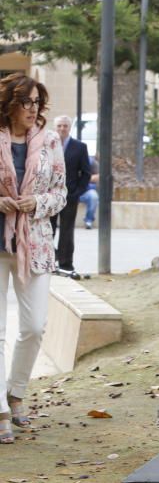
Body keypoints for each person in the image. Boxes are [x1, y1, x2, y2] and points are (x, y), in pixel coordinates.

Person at [0, 74, 67, 445]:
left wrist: (37, 204)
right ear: (10, 102)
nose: (33, 109)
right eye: (26, 102)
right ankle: (2, 411)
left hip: (36, 242)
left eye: (37, 103)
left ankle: (17, 391)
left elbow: (61, 193)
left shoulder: (51, 141)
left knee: (35, 326)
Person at [50, 115, 91, 277]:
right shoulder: (48, 146)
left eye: (65, 126)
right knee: (47, 230)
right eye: (59, 126)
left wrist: (77, 192)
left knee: (67, 231)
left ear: (69, 128)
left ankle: (66, 264)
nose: (62, 129)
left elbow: (86, 173)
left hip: (70, 196)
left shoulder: (80, 147)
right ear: (55, 127)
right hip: (50, 196)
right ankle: (49, 260)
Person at [79, 156, 98, 229]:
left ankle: (88, 220)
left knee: (93, 196)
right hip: (71, 190)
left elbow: (97, 176)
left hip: (86, 191)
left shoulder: (92, 162)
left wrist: (84, 178)